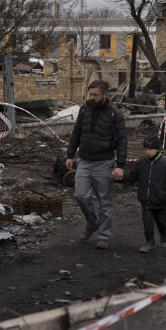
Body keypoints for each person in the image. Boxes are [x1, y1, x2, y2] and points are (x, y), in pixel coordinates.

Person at [65, 80, 127, 249]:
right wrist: (70, 155)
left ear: (105, 95)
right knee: (80, 196)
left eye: (95, 95)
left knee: (105, 202)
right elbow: (76, 133)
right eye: (90, 94)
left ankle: (104, 236)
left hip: (104, 163)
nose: (91, 97)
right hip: (84, 161)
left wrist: (120, 165)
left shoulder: (115, 113)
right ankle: (92, 223)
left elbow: (122, 141)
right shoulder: (84, 110)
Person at [125, 135, 166, 252]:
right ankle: (149, 242)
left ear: (157, 149)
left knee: (161, 223)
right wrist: (121, 176)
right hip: (146, 201)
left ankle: (164, 237)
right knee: (147, 223)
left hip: (160, 201)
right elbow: (132, 176)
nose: (148, 152)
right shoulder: (141, 163)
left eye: (150, 149)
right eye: (146, 149)